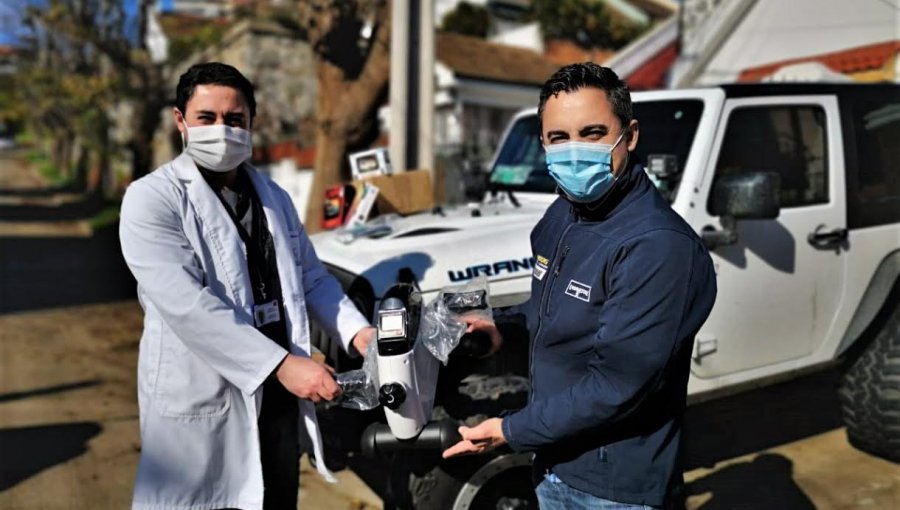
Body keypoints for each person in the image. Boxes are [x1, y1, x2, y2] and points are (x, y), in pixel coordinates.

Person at [443, 62, 718, 509]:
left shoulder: (658, 247)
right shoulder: (563, 215)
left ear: (629, 136)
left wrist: (509, 431)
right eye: (558, 138)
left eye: (592, 133)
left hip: (613, 487)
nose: (574, 152)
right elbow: (550, 311)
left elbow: (616, 385)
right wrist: (503, 326)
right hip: (554, 458)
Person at [119, 62, 376, 510]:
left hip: (276, 401)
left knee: (274, 496)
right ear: (180, 120)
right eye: (207, 118)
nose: (223, 130)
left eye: (235, 120)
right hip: (205, 399)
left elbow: (311, 277)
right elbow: (186, 305)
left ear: (251, 123)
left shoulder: (274, 197)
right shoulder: (151, 198)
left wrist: (358, 333)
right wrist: (280, 364)